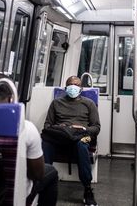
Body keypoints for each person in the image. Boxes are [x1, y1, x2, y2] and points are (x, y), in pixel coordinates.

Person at [0, 73, 58, 206]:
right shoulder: (26, 128)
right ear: (11, 98)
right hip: (13, 195)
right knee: (50, 172)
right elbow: (37, 174)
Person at [42, 75, 100, 206]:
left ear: (81, 89)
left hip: (81, 135)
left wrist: (83, 128)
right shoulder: (56, 103)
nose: (73, 87)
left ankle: (87, 189)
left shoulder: (89, 104)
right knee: (46, 143)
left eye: (76, 85)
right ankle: (44, 183)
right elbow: (47, 126)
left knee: (82, 145)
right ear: (65, 88)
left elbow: (96, 127)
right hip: (61, 135)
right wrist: (60, 127)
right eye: (70, 85)